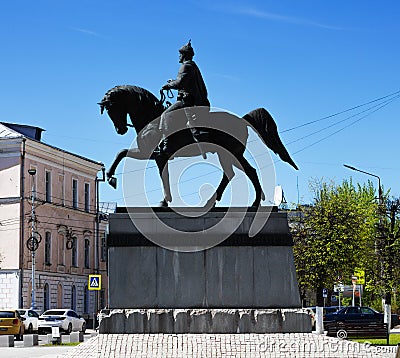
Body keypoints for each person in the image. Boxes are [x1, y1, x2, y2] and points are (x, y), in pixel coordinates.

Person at [159, 40, 210, 155]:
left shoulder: (185, 66)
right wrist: (173, 82)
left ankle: (167, 144)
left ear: (184, 55)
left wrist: (169, 85)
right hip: (191, 99)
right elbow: (183, 82)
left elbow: (180, 83)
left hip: (187, 101)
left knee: (165, 115)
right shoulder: (192, 66)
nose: (179, 56)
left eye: (180, 54)